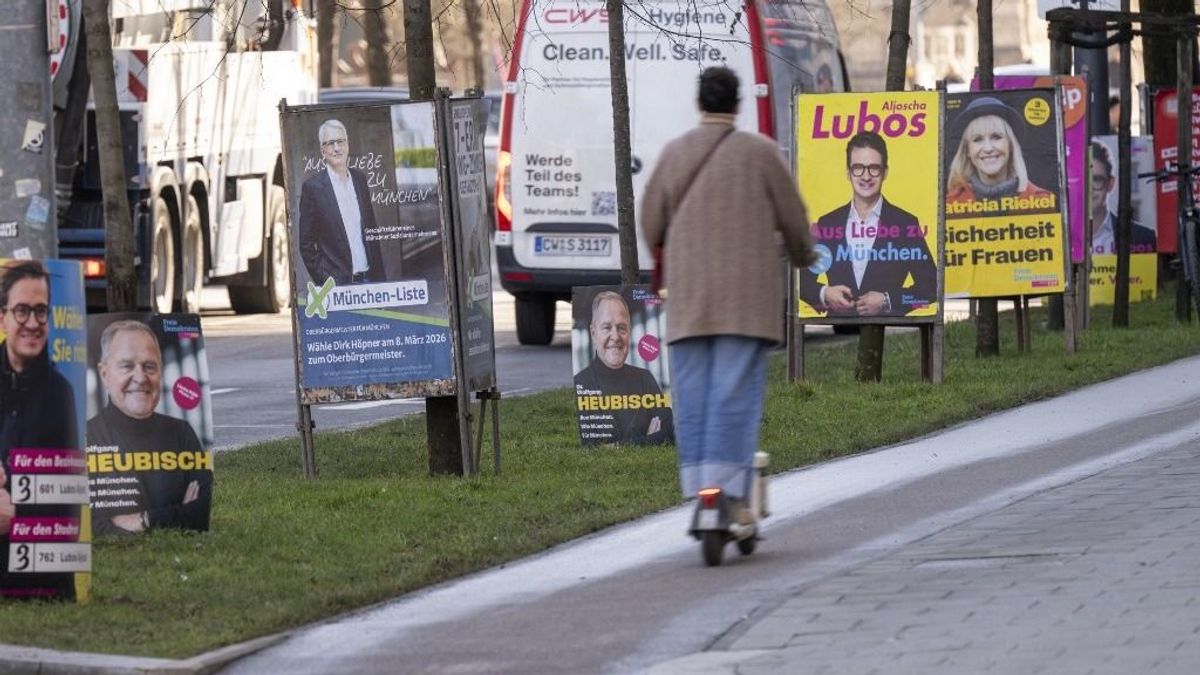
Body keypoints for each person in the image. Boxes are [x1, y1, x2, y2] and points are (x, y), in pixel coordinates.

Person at [641, 66, 815, 521]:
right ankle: (731, 493)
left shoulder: (674, 154)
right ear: (738, 106)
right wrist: (802, 254)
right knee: (734, 395)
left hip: (688, 300)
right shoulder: (760, 154)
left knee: (693, 395)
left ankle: (700, 488)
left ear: (699, 104)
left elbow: (650, 224)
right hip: (746, 303)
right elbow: (794, 218)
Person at [87, 320, 212, 534]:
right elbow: (88, 526)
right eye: (127, 366)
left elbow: (202, 512)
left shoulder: (180, 432)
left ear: (160, 372)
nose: (140, 377)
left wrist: (145, 519)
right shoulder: (85, 437)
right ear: (105, 374)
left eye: (149, 366)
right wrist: (178, 514)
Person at [0, 261, 79, 596]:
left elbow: (68, 510)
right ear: (2, 317)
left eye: (41, 311)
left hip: (43, 582)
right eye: (22, 311)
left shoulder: (61, 394)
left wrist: (13, 511)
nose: (32, 323)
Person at [797, 132, 937, 316]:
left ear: (885, 172)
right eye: (858, 168)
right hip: (840, 331)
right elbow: (802, 281)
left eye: (874, 168)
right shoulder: (828, 223)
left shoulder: (905, 223)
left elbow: (931, 286)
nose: (866, 176)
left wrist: (888, 300)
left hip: (888, 331)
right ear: (848, 173)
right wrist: (825, 293)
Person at [574, 291, 673, 445]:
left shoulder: (644, 379)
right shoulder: (580, 384)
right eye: (606, 327)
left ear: (629, 332)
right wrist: (648, 440)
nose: (615, 337)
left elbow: (669, 433)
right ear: (593, 334)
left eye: (621, 328)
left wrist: (616, 446)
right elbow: (590, 448)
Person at [299, 119, 386, 285]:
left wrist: (381, 281)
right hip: (338, 286)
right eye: (330, 143)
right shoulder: (313, 188)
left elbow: (371, 232)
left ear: (347, 145)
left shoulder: (360, 179)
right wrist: (325, 280)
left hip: (369, 280)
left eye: (340, 141)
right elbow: (306, 245)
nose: (337, 148)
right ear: (322, 150)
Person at [946, 96, 1052, 204]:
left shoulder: (1041, 200)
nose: (988, 148)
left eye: (996, 137)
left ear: (1010, 145)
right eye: (977, 139)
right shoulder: (951, 204)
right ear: (967, 150)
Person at [1090, 140, 1156, 255]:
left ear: (1111, 184)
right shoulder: (1059, 237)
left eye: (1096, 179)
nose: (1089, 189)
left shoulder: (1143, 237)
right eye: (1083, 180)